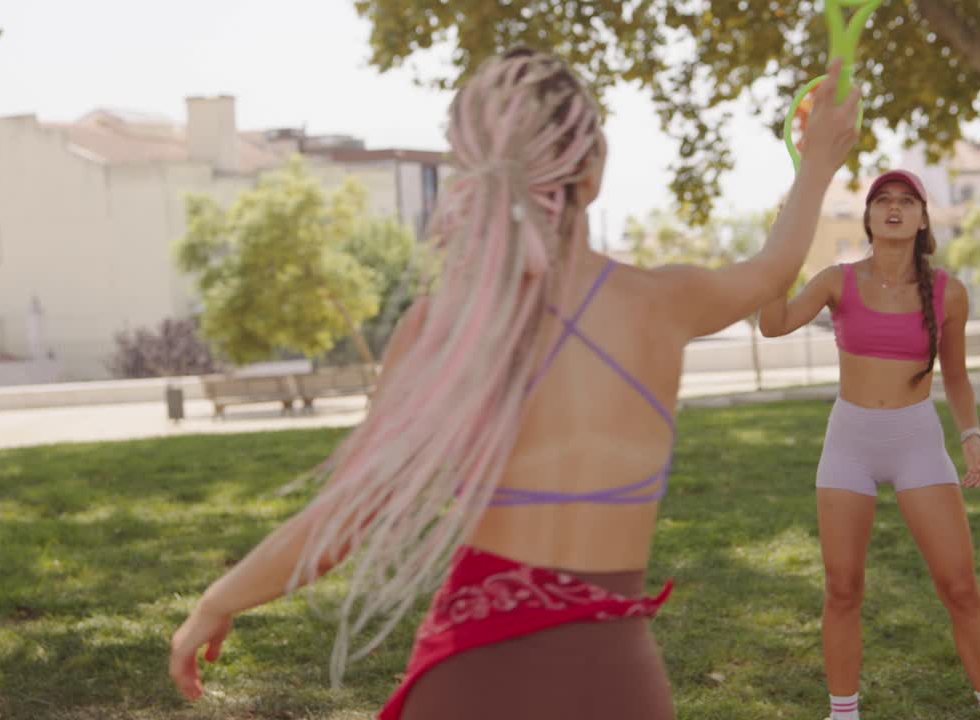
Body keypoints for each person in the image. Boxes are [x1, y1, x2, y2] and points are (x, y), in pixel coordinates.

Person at [168, 48, 861, 719]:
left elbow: (345, 517)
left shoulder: (443, 328)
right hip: (617, 683)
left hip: (472, 676)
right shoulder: (663, 304)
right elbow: (774, 269)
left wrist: (219, 598)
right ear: (594, 169)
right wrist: (818, 162)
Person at [759, 169, 980, 720]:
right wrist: (779, 255)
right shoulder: (837, 281)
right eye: (882, 200)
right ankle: (843, 714)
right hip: (848, 443)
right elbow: (773, 324)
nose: (893, 208)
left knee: (959, 586)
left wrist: (971, 435)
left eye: (906, 201)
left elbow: (957, 376)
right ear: (869, 216)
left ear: (922, 218)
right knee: (842, 588)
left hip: (916, 441)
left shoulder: (949, 293)